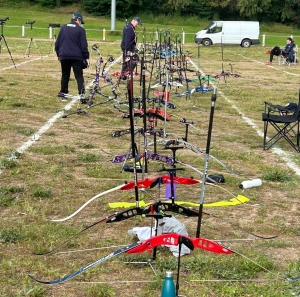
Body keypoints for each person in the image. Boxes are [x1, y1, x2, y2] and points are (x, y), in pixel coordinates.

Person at [55, 12, 90, 103]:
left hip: (64, 56)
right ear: (78, 20)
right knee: (79, 76)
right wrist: (86, 57)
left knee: (65, 75)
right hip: (77, 57)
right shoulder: (81, 30)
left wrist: (58, 54)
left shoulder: (63, 28)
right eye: (80, 22)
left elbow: (57, 43)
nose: (80, 23)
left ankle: (63, 93)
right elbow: (84, 45)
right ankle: (82, 95)